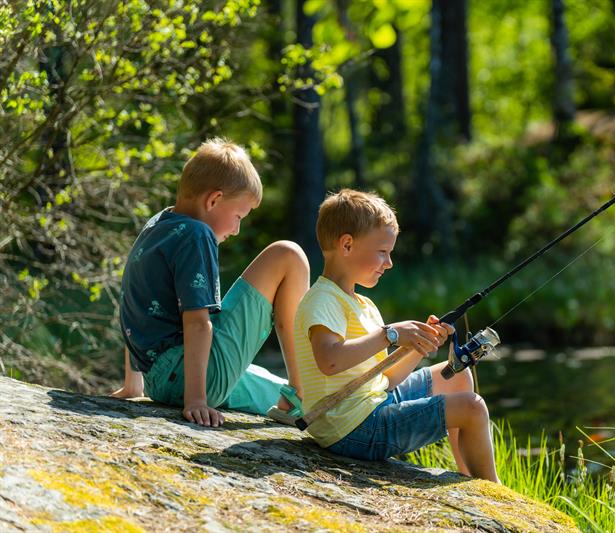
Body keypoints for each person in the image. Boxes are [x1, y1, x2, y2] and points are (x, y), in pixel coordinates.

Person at [294, 189, 499, 482]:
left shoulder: (364, 305)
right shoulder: (323, 300)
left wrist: (417, 345)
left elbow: (386, 379)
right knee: (472, 407)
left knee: (457, 377)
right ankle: (492, 490)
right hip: (351, 427)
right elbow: (329, 360)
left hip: (373, 404)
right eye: (382, 252)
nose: (389, 263)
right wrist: (390, 335)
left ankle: (468, 477)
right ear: (348, 245)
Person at [111, 138, 309, 428]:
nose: (238, 229)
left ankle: (308, 397)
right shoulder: (196, 234)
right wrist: (196, 401)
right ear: (213, 200)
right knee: (288, 255)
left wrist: (133, 386)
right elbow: (197, 323)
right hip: (193, 379)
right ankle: (301, 390)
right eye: (238, 216)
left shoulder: (158, 224)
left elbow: (136, 305)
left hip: (162, 381)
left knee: (270, 388)